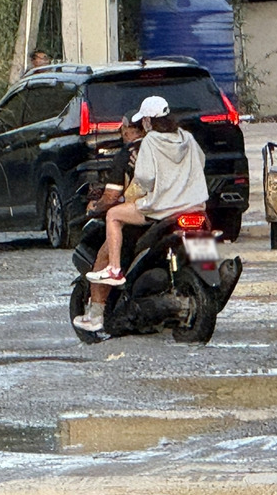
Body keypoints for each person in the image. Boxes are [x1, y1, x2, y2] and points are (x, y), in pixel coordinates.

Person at [85, 96, 208, 288]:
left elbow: (145, 177)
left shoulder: (150, 141)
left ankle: (114, 270)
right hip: (194, 205)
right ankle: (207, 270)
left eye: (144, 120)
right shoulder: (187, 137)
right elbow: (201, 162)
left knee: (113, 215)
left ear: (149, 120)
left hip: (161, 207)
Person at [72, 111, 147, 332]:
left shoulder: (130, 152)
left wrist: (95, 207)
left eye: (124, 129)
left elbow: (112, 196)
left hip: (146, 214)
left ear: (129, 129)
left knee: (104, 254)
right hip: (185, 206)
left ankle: (96, 313)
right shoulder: (179, 143)